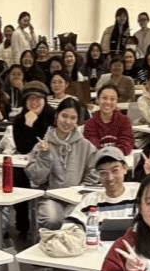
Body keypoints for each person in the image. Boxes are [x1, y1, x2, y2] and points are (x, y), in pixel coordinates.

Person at [42, 146, 141, 271]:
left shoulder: (139, 197)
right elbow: (70, 229)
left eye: (114, 170)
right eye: (103, 173)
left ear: (125, 168)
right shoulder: (91, 201)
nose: (109, 177)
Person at [27, 97, 98, 229]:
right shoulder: (43, 144)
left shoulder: (86, 146)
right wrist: (45, 156)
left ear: (77, 120)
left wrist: (80, 191)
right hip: (50, 198)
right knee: (53, 219)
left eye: (73, 118)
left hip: (76, 198)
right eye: (64, 116)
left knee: (73, 219)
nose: (67, 122)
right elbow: (36, 178)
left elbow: (93, 174)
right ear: (56, 116)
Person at [84, 84, 134, 153]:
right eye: (104, 98)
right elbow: (92, 147)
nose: (108, 102)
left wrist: (114, 154)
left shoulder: (124, 121)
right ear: (97, 100)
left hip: (120, 157)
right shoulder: (90, 123)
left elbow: (126, 143)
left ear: (117, 101)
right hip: (99, 158)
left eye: (112, 99)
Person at [10, 82, 54, 156]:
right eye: (30, 98)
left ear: (44, 100)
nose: (34, 102)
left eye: (38, 98)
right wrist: (28, 126)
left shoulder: (54, 117)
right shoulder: (19, 120)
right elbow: (22, 150)